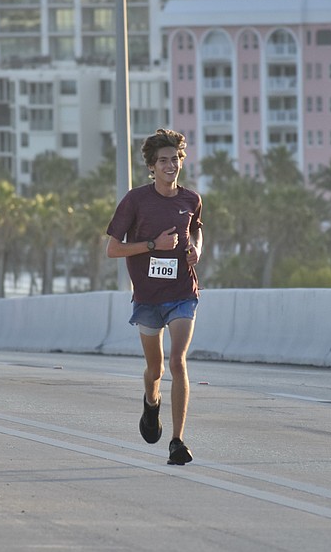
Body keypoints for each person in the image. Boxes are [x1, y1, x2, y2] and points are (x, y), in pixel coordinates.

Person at [105, 129, 203, 465]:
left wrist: (195, 250)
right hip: (147, 298)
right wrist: (152, 246)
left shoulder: (190, 199)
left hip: (181, 294)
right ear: (151, 165)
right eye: (163, 160)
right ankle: (151, 402)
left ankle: (177, 441)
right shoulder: (135, 200)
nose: (170, 165)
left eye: (175, 159)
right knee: (155, 369)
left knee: (178, 360)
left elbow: (196, 228)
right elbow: (113, 249)